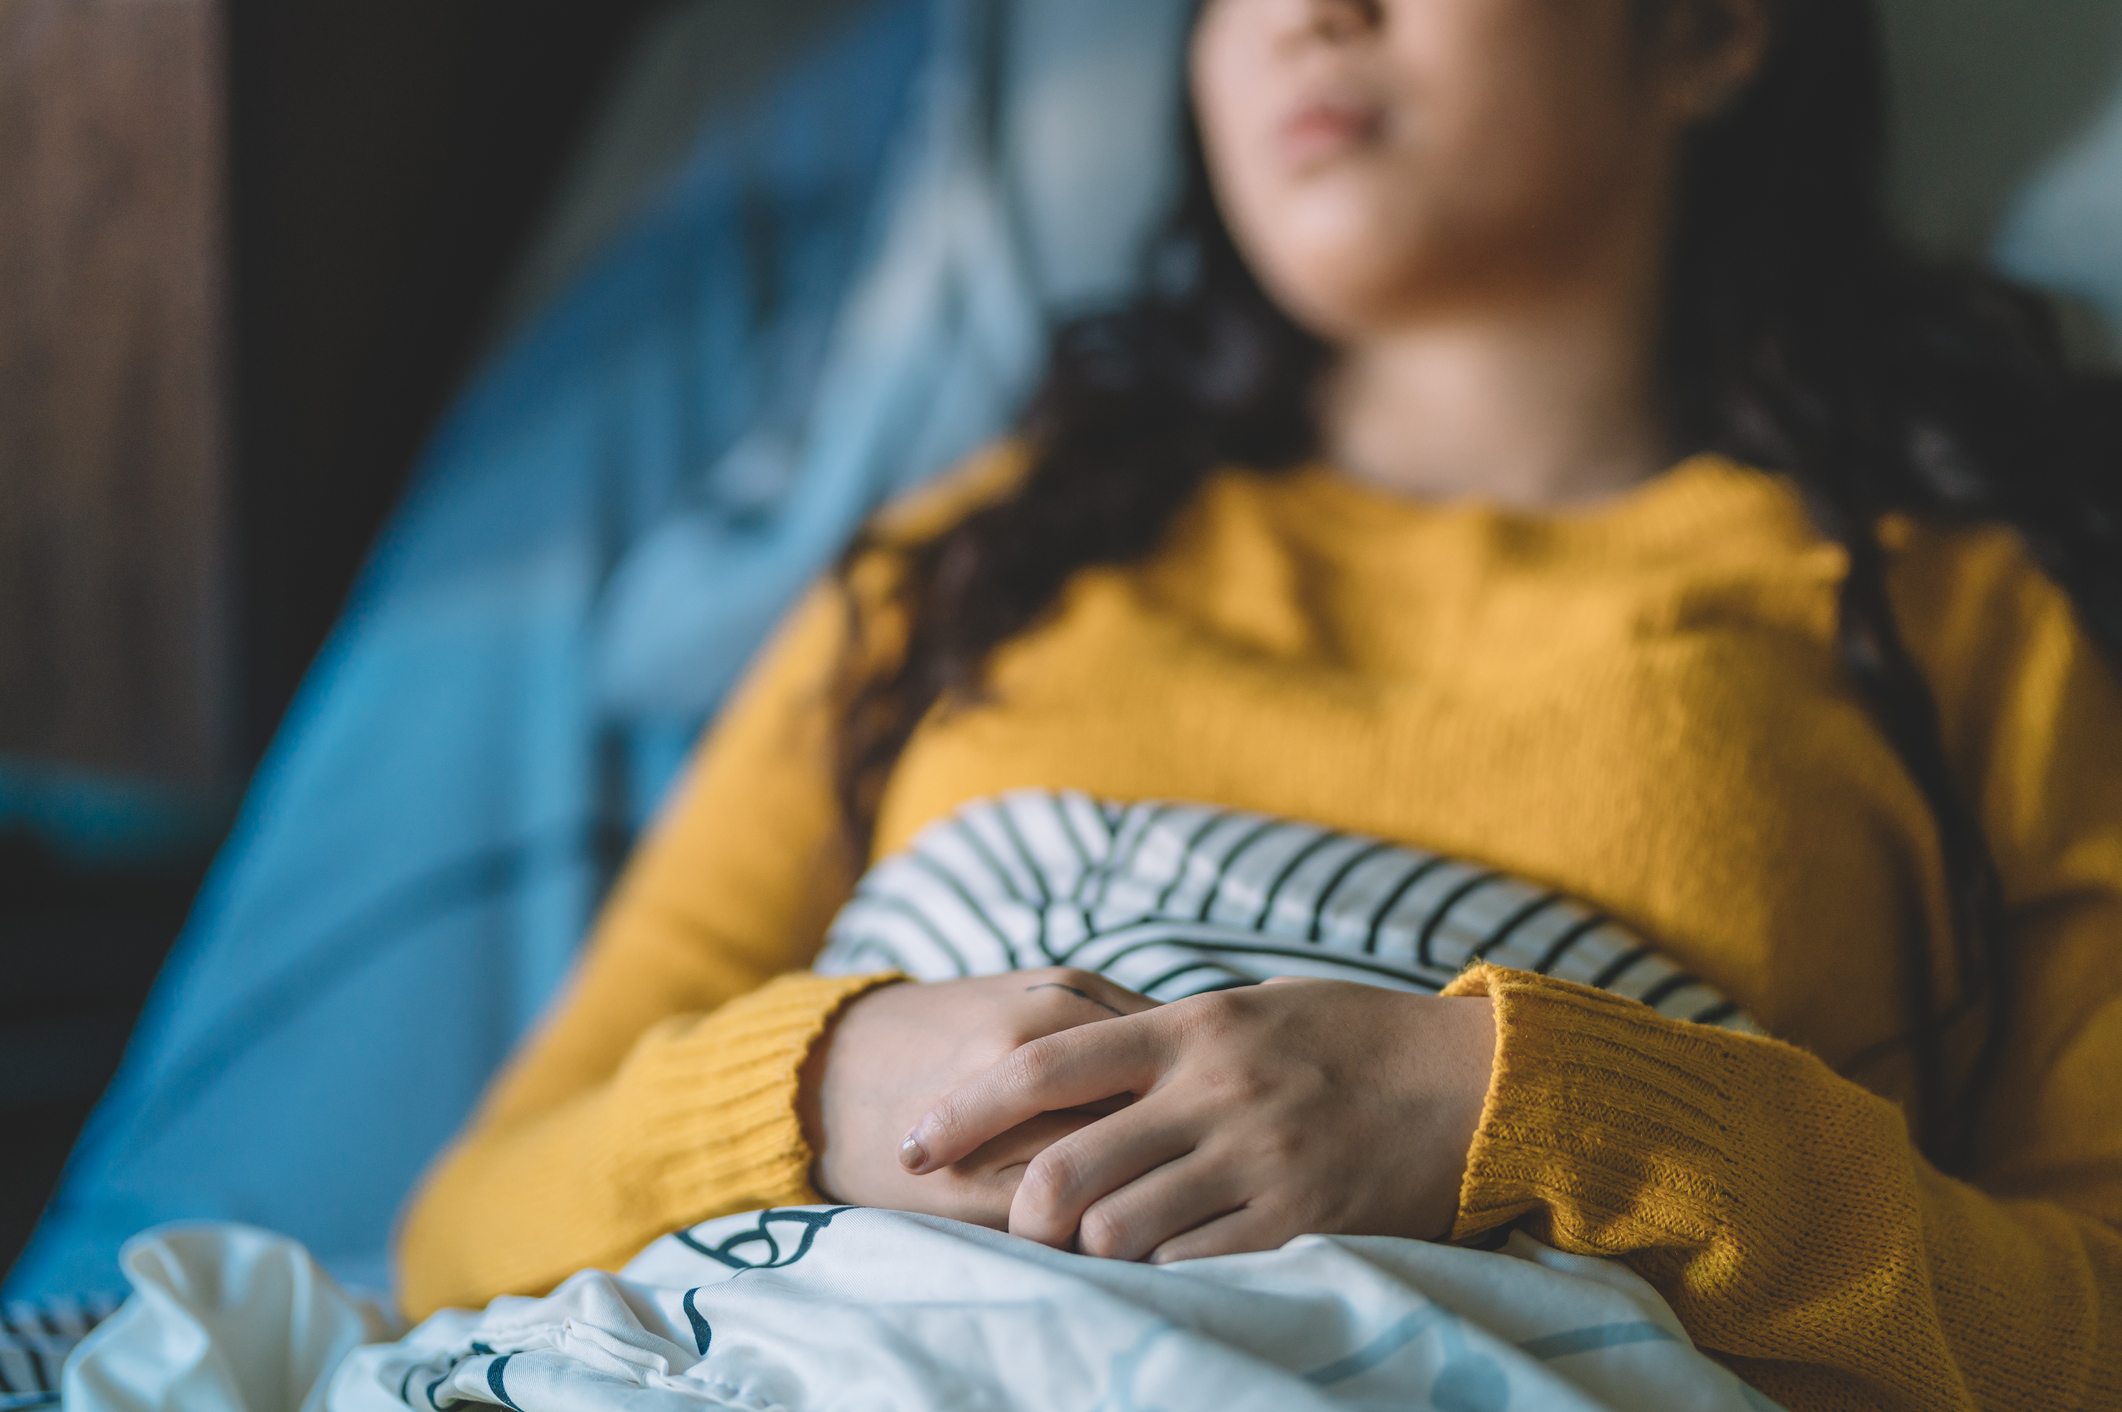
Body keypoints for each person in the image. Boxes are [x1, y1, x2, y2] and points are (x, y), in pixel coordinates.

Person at [397, 0, 2122, 1407]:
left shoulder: (1964, 619)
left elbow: (2092, 1328)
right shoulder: (965, 568)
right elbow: (463, 1230)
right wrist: (827, 1089)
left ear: (1704, 34)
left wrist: (1508, 1110)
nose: (1306, 17)